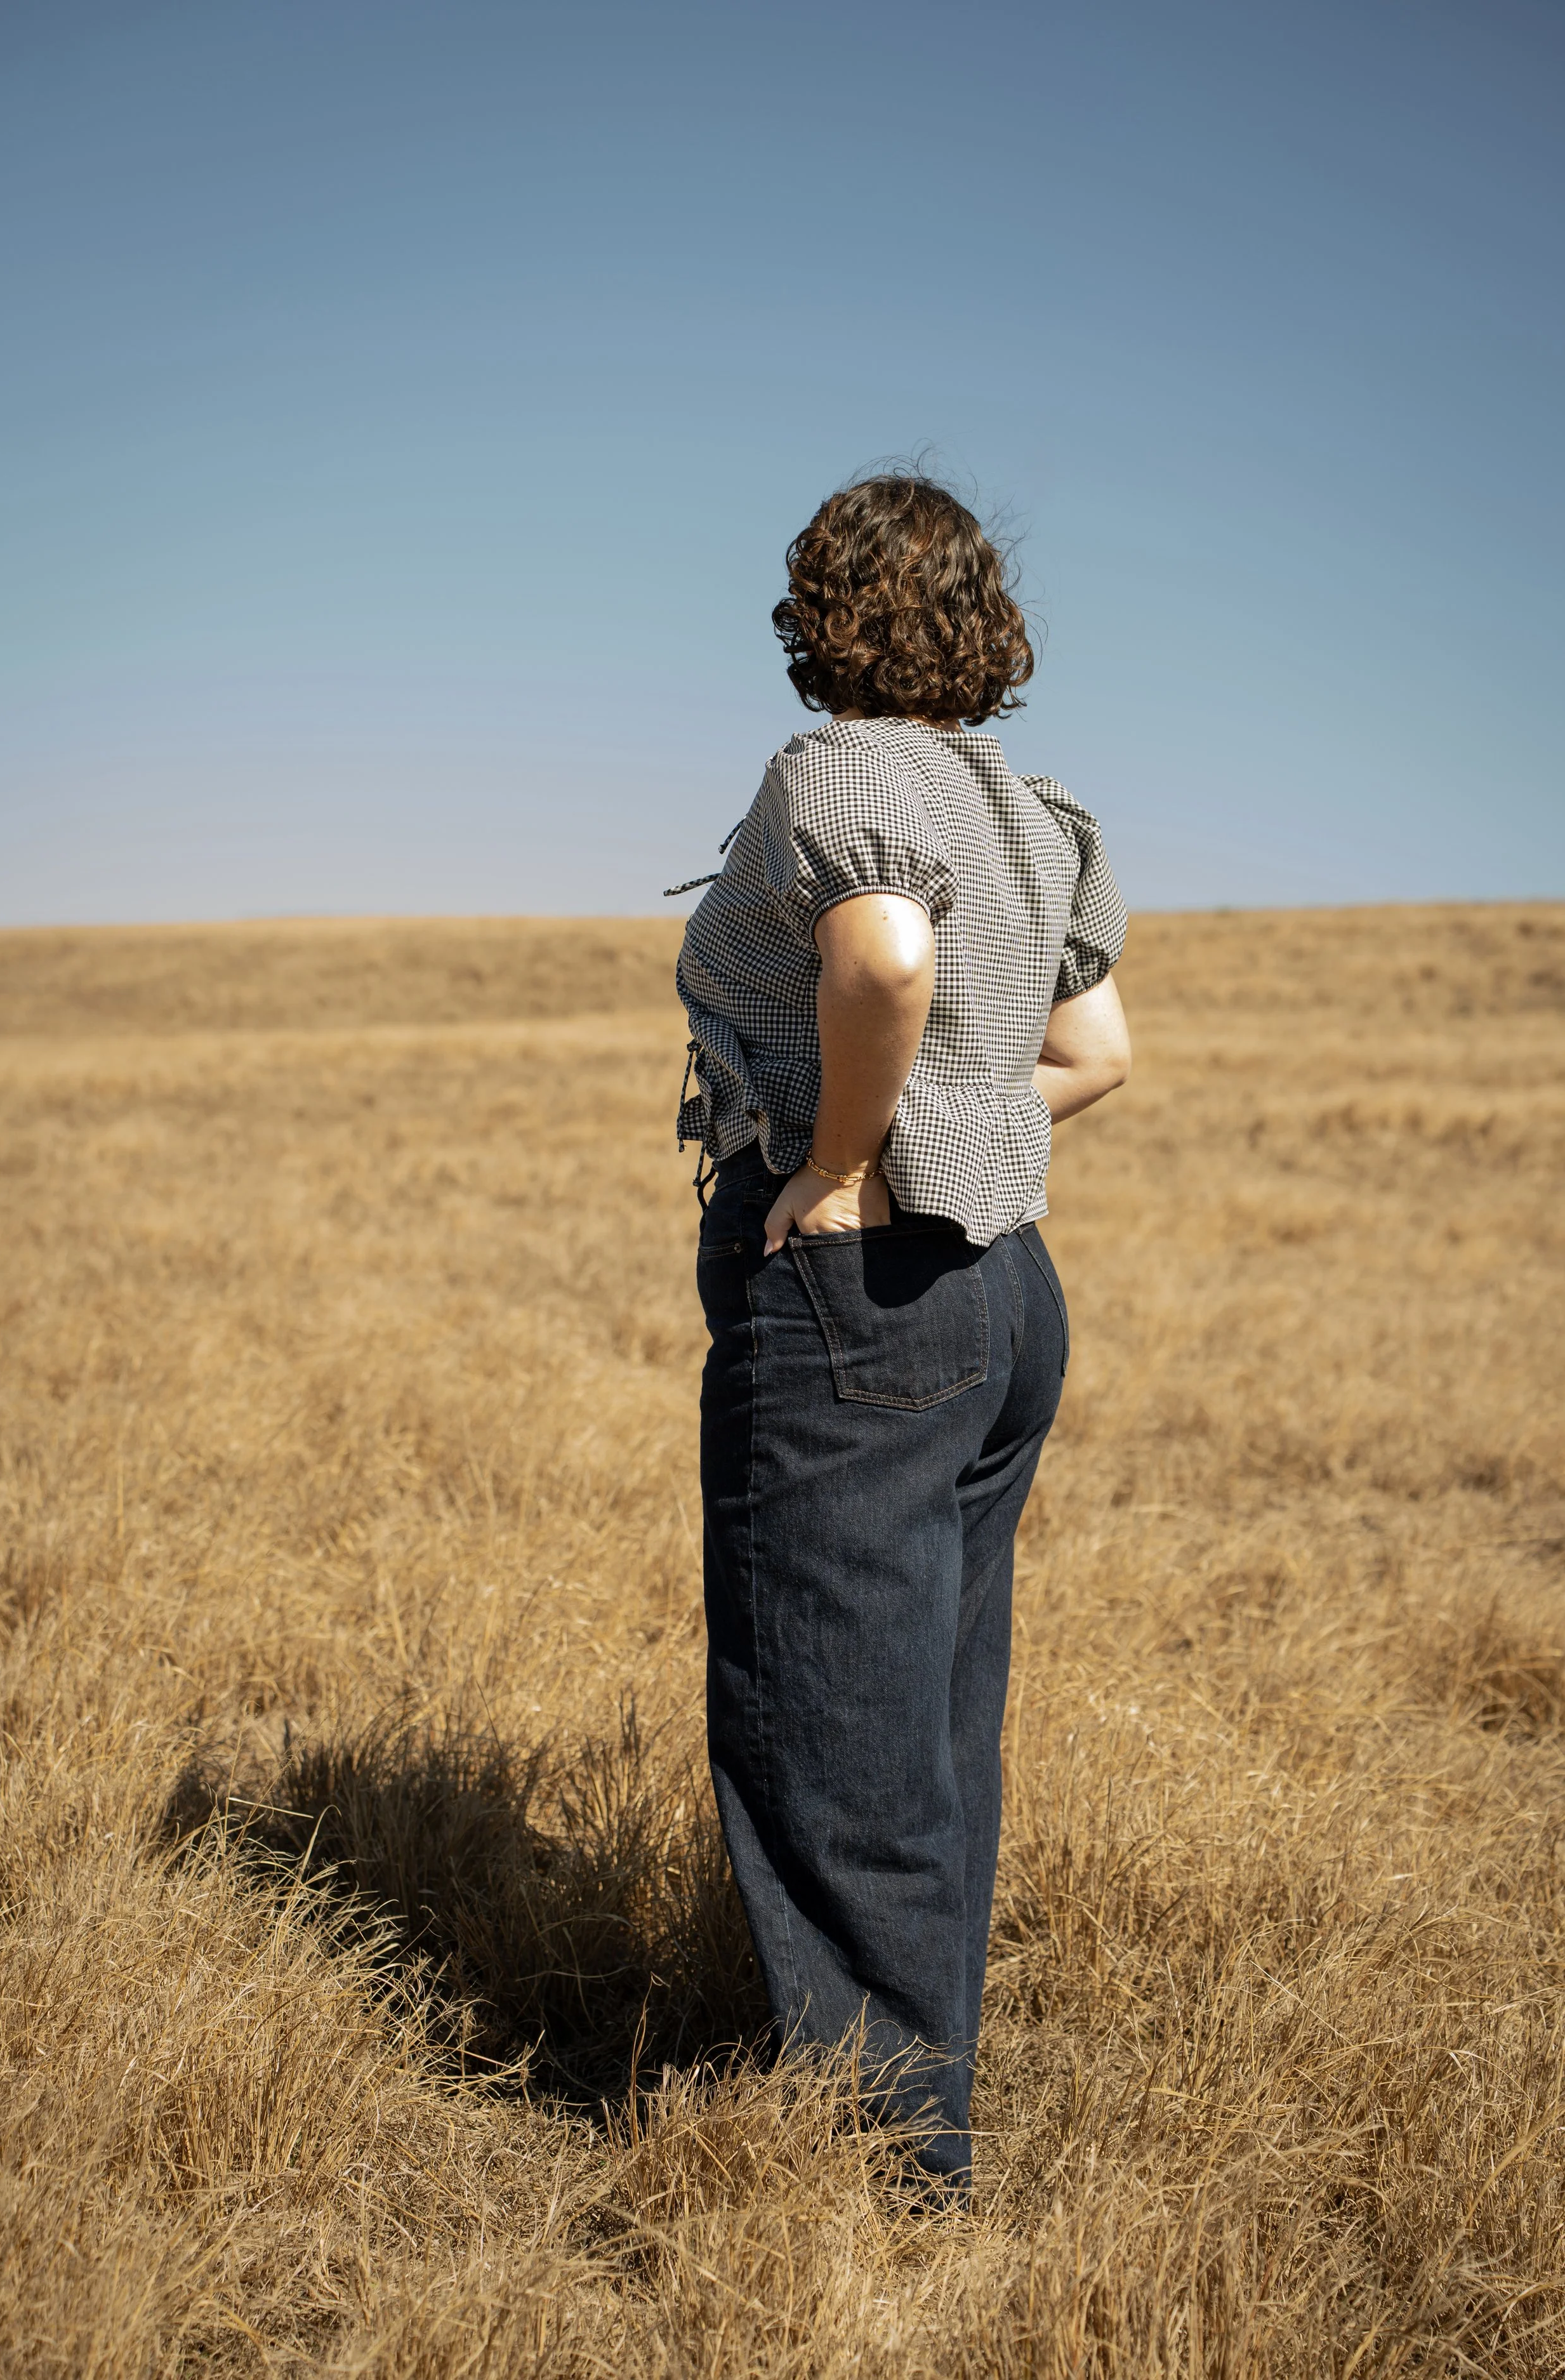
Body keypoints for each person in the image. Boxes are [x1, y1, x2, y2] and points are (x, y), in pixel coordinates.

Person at [672, 474, 1132, 2193]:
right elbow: (1100, 1061)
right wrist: (954, 1132)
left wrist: (849, 1160)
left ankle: (887, 2191)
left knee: (827, 1728)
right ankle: (920, 2114)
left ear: (817, 608)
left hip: (860, 1300)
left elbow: (873, 955)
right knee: (927, 1721)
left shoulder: (839, 777)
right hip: (1003, 1297)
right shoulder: (1037, 810)